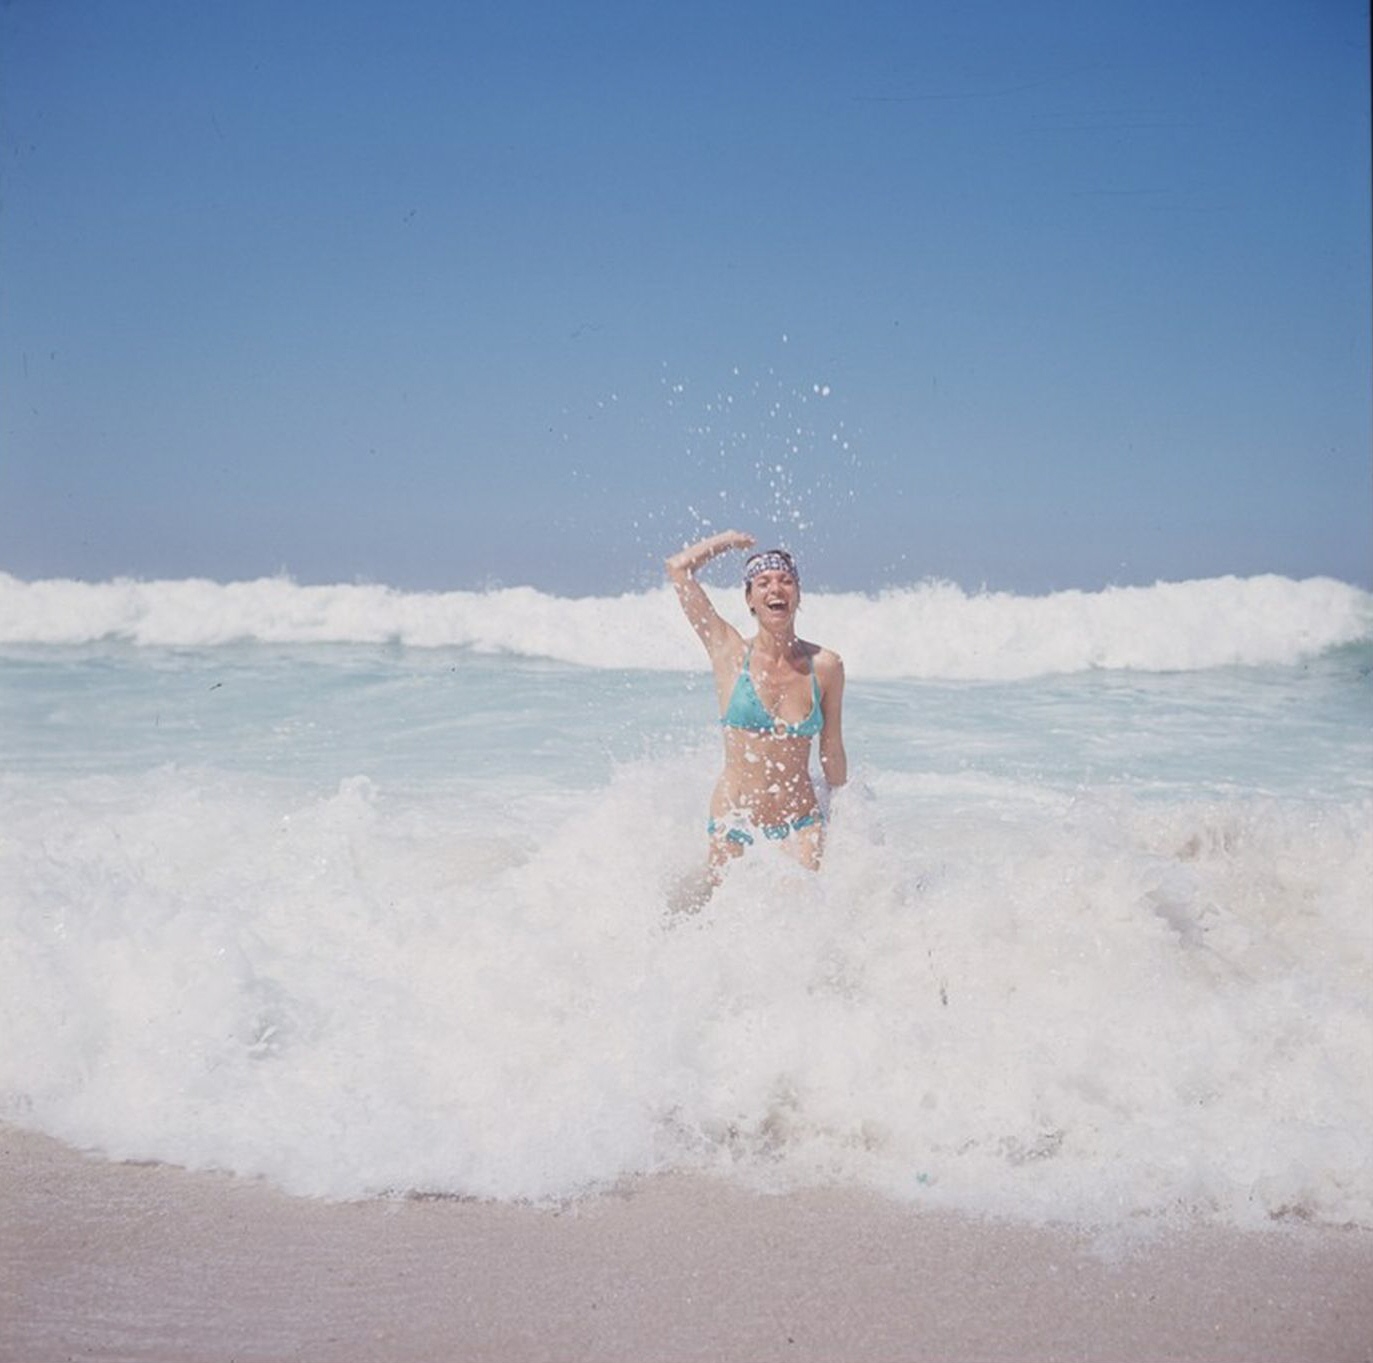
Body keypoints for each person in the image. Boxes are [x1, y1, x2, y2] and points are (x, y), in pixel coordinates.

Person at [666, 530, 847, 885]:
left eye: (786, 581)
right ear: (750, 600)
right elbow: (678, 569)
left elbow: (832, 749)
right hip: (736, 819)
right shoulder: (729, 652)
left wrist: (850, 813)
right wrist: (729, 541)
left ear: (798, 595)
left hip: (801, 823)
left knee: (802, 919)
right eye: (762, 583)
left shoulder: (826, 666)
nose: (775, 589)